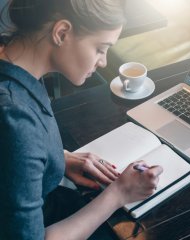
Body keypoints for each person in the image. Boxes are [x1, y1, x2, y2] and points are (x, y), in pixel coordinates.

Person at [0, 0, 163, 239]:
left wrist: (58, 158)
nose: (104, 61)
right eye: (100, 48)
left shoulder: (14, 61)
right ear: (62, 32)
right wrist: (119, 193)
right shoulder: (16, 119)